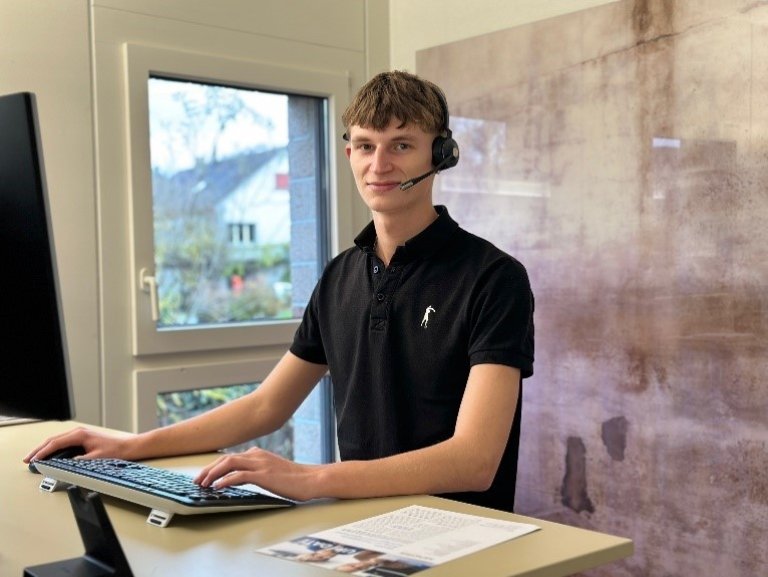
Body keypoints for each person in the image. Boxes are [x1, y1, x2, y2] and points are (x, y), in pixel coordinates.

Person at [24, 70, 534, 512]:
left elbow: (473, 461)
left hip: (463, 535)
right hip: (362, 528)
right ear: (349, 153)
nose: (379, 165)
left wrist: (310, 478)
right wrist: (131, 446)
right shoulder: (339, 276)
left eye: (401, 145)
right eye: (365, 146)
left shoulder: (494, 277)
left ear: (440, 154)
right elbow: (265, 406)